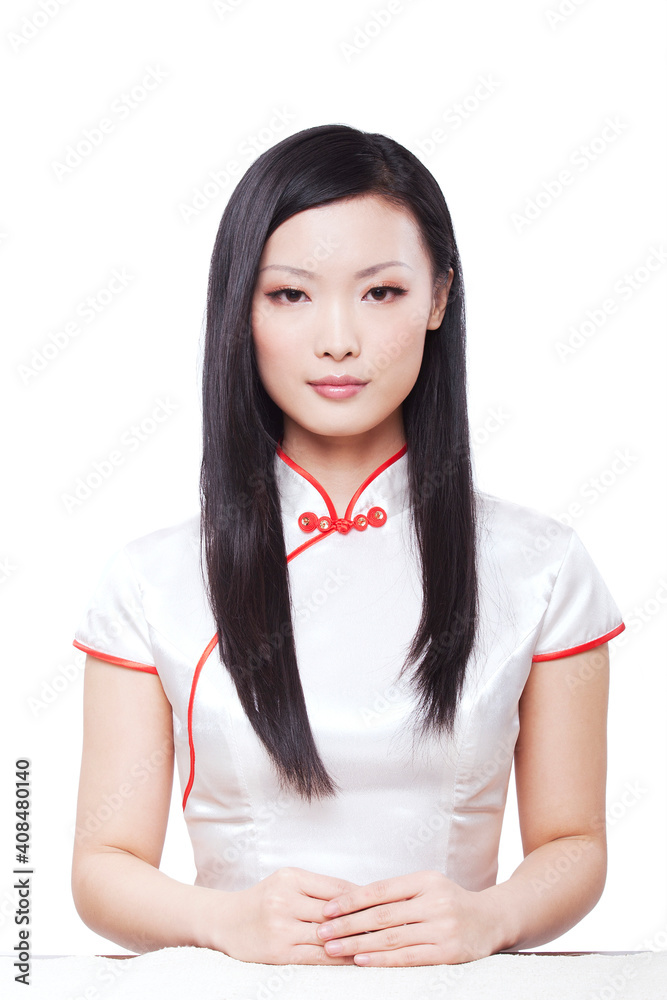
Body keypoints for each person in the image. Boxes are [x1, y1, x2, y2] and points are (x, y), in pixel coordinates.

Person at [70, 123, 625, 968]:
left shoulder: (541, 566)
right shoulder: (150, 581)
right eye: (290, 295)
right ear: (240, 307)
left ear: (439, 298)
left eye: (380, 293)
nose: (338, 339)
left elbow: (574, 842)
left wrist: (489, 918)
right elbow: (100, 869)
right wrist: (224, 921)